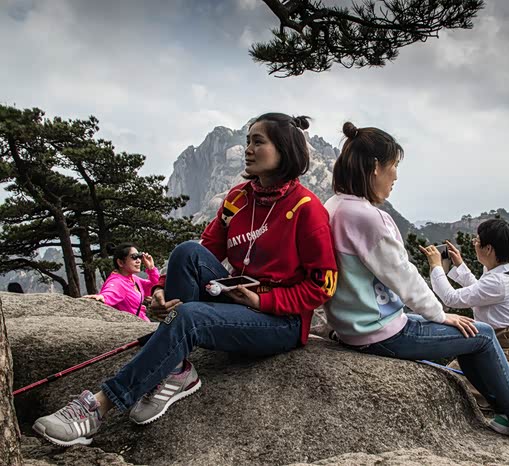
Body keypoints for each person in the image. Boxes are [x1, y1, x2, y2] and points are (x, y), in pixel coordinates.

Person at [33, 113, 338, 446]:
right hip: (240, 300)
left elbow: (323, 285)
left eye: (258, 142)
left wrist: (264, 300)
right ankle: (176, 367)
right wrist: (160, 289)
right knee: (186, 250)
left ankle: (99, 406)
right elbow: (205, 250)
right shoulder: (239, 198)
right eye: (248, 141)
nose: (248, 149)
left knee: (189, 317)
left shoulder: (306, 208)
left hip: (281, 321)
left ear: (284, 149)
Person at [323, 121, 509, 444]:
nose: (395, 177)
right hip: (378, 330)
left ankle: (507, 412)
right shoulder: (369, 218)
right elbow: (404, 276)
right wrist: (439, 315)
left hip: (352, 325)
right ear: (375, 167)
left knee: (465, 335)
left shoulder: (333, 207)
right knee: (480, 334)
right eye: (394, 167)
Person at [421, 220, 509, 405]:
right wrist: (460, 266)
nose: (474, 243)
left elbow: (451, 298)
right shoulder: (507, 270)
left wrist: (436, 267)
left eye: (477, 240)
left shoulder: (499, 281)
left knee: (452, 383)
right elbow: (480, 291)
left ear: (488, 249)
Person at [83, 243, 159, 322]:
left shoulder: (133, 279)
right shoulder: (117, 282)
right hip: (130, 326)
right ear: (120, 262)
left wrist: (151, 269)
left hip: (142, 322)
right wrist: (102, 297)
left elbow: (155, 287)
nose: (138, 261)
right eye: (134, 257)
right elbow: (111, 292)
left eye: (139, 257)